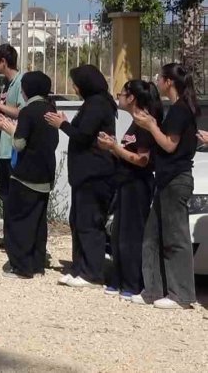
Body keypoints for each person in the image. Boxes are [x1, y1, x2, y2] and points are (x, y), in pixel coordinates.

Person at [131, 63, 200, 310]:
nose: (157, 81)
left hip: (176, 179)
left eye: (160, 77)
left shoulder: (181, 109)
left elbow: (170, 145)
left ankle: (181, 294)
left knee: (175, 238)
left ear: (169, 82)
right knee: (152, 236)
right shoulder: (177, 108)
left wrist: (151, 126)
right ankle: (153, 290)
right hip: (165, 180)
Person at [45, 64, 116, 289]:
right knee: (78, 221)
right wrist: (67, 123)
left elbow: (84, 136)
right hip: (84, 175)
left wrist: (62, 124)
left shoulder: (98, 104)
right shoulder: (92, 103)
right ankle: (79, 267)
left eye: (76, 84)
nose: (74, 88)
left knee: (89, 223)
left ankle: (91, 273)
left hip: (95, 174)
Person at [95, 80, 161, 300]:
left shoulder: (144, 123)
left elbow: (142, 160)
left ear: (132, 98)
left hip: (137, 184)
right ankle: (119, 278)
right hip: (125, 181)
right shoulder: (134, 123)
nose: (119, 97)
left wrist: (115, 147)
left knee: (132, 234)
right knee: (118, 233)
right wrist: (113, 147)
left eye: (122, 94)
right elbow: (128, 153)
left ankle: (133, 282)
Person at [0, 72, 59, 279]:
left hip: (26, 175)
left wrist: (8, 129)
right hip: (45, 174)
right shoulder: (51, 109)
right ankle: (37, 264)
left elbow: (19, 144)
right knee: (38, 222)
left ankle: (21, 266)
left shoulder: (28, 112)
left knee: (19, 221)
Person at [0, 44, 25, 207]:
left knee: (12, 195)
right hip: (3, 146)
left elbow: (21, 112)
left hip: (13, 148)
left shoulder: (20, 82)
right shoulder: (7, 83)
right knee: (4, 193)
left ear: (4, 62)